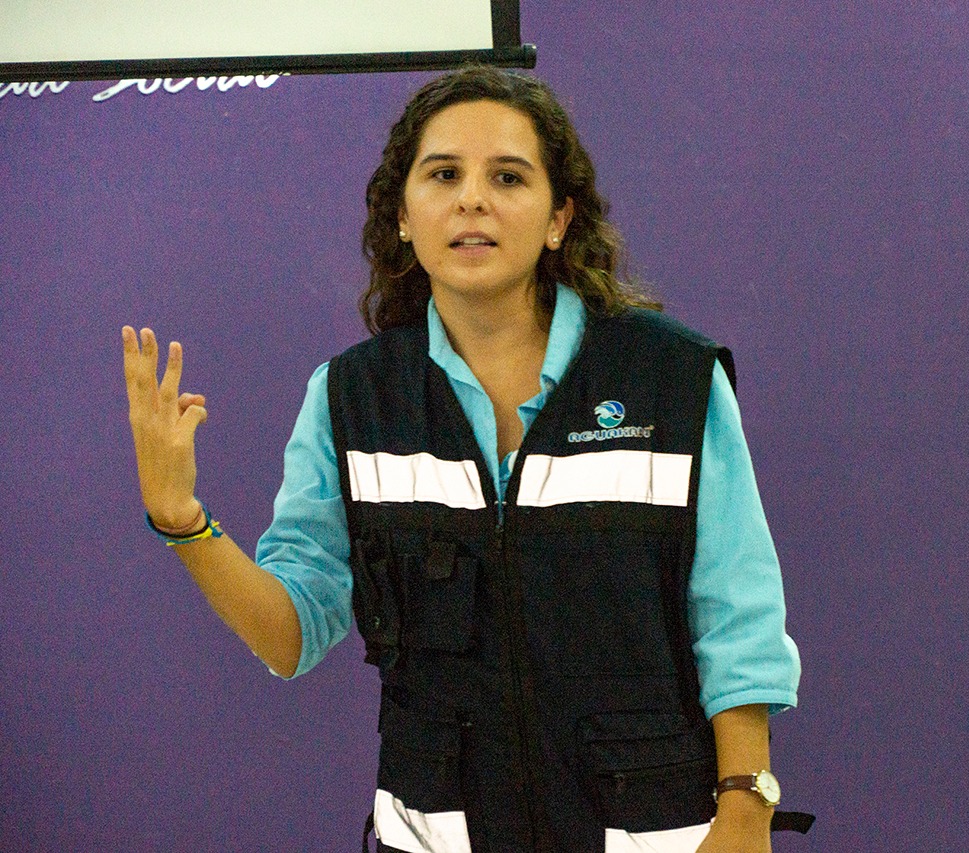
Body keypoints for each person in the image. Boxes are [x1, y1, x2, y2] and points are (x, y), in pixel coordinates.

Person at [122, 66, 801, 853]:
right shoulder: (352, 397)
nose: (472, 199)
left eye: (507, 177)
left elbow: (736, 612)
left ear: (558, 218)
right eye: (443, 174)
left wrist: (746, 806)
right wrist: (184, 522)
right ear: (404, 217)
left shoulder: (670, 377)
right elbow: (292, 635)